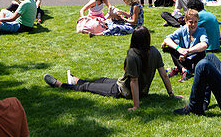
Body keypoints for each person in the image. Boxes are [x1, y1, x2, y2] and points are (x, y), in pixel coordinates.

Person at [44, 26, 177, 110]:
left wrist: (136, 105)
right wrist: (171, 94)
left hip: (122, 90)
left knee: (88, 87)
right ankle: (76, 80)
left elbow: (134, 81)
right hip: (130, 86)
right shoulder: (154, 51)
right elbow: (163, 75)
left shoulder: (133, 54)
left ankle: (59, 84)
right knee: (101, 80)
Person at [161, 8, 208, 77]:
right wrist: (179, 49)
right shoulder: (182, 30)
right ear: (185, 21)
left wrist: (188, 51)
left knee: (201, 50)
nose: (193, 25)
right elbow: (167, 39)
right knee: (170, 47)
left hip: (194, 57)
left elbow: (204, 45)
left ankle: (180, 68)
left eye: (196, 22)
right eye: (191, 22)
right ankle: (183, 69)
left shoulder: (201, 31)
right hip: (183, 57)